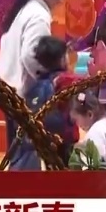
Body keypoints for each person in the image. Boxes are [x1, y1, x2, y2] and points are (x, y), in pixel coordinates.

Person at [0, 0, 68, 147]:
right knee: (25, 151)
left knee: (17, 147)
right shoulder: (38, 15)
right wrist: (43, 79)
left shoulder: (27, 8)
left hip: (8, 87)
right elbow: (31, 54)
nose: (60, 1)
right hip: (21, 92)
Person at [7, 36, 75, 170]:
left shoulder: (36, 83)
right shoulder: (66, 80)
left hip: (44, 138)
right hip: (64, 137)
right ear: (62, 59)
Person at [72, 90, 106, 169]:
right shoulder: (105, 123)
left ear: (90, 115)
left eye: (77, 120)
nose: (77, 124)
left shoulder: (95, 132)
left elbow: (96, 162)